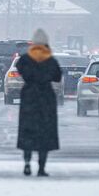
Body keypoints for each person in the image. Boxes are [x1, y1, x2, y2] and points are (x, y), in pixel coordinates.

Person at [16, 29, 62, 177]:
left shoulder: (25, 59)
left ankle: (27, 163)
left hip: (29, 98)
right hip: (46, 99)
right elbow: (57, 77)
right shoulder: (50, 60)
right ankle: (41, 168)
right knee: (45, 134)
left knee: (28, 132)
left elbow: (21, 70)